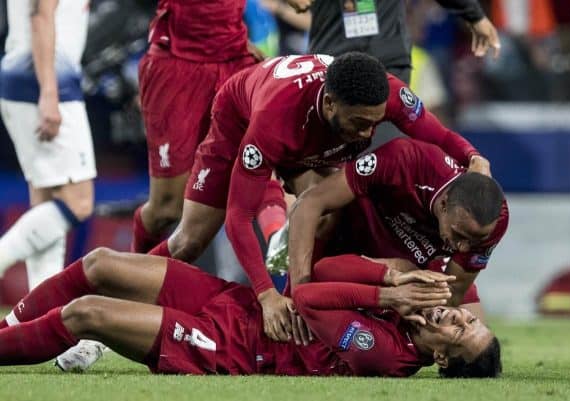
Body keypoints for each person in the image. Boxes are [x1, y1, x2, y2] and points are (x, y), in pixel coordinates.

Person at [148, 52, 491, 343]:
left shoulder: (385, 94)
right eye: (359, 123)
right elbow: (238, 217)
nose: (368, 133)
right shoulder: (273, 122)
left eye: (375, 123)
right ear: (330, 103)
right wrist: (265, 296)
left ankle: (297, 302)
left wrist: (474, 157)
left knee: (326, 214)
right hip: (240, 119)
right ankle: (119, 285)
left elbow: (440, 134)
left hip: (313, 142)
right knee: (189, 242)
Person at [0, 248, 501, 378]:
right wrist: (390, 278)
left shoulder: (386, 354)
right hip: (239, 305)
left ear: (441, 358)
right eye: (468, 319)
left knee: (86, 313)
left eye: (459, 332)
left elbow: (306, 299)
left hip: (231, 348)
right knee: (99, 265)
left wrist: (386, 298)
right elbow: (322, 268)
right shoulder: (407, 301)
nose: (457, 318)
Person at [288, 138, 509, 310]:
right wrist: (299, 294)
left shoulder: (493, 221)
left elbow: (451, 293)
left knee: (476, 347)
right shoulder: (406, 159)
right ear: (443, 204)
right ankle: (293, 294)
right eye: (459, 235)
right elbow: (310, 203)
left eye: (475, 241)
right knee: (321, 199)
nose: (463, 248)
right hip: (348, 235)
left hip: (409, 271)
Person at [130, 0, 271, 254]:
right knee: (166, 209)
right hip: (178, 65)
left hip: (234, 59)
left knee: (278, 164)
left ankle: (294, 273)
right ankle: (129, 281)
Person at [0, 2, 96, 292]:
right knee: (77, 203)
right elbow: (41, 17)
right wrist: (49, 94)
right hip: (47, 84)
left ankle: (41, 319)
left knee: (45, 205)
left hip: (30, 80)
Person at [286, 0, 501, 82]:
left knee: (385, 159)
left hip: (387, 63)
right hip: (329, 63)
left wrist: (474, 14)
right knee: (329, 160)